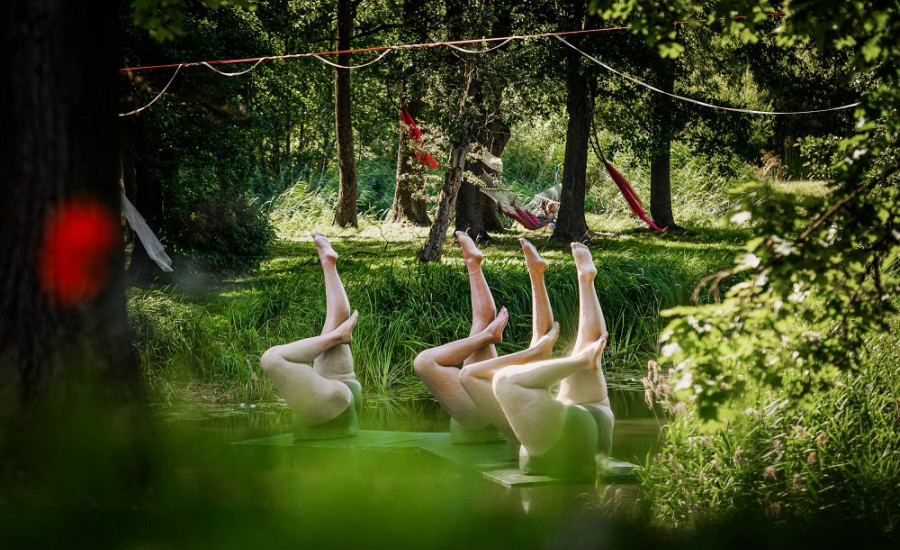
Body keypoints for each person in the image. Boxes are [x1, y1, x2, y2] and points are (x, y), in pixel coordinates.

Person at [413, 233, 556, 444]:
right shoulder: (532, 415)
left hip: (494, 410)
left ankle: (481, 271)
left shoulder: (530, 421)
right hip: (486, 408)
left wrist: (530, 354)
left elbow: (542, 353)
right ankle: (530, 273)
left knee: (425, 361)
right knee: (529, 344)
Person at [492, 242, 614, 482]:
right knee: (584, 352)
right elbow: (537, 353)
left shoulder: (534, 414)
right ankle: (585, 280)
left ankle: (581, 282)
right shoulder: (546, 411)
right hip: (597, 418)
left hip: (561, 443)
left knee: (504, 379)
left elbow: (537, 352)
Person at [260, 232, 362, 440]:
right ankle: (328, 264)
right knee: (336, 320)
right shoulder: (324, 392)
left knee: (272, 358)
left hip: (331, 407)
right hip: (340, 389)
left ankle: (337, 336)